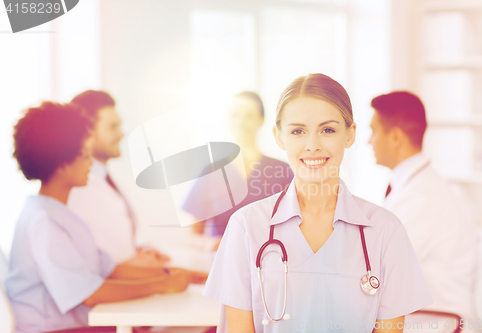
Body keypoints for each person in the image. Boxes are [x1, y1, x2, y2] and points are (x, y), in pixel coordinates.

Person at [203, 74, 432, 333]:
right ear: (279, 137)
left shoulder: (386, 232)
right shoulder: (246, 227)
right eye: (298, 131)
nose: (312, 145)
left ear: (350, 134)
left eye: (328, 130)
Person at [5, 102, 206, 333]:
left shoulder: (60, 214)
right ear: (61, 165)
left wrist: (176, 274)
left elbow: (110, 268)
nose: (90, 161)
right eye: (83, 154)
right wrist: (163, 284)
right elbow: (89, 294)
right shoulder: (44, 222)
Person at [368, 91, 477, 323]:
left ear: (396, 137)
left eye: (374, 131)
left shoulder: (422, 198)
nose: (370, 140)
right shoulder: (416, 187)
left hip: (435, 322)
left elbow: (380, 269)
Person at [68, 90, 168, 266]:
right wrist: (133, 263)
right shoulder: (77, 187)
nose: (121, 134)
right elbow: (88, 261)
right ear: (87, 131)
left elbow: (108, 241)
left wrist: (139, 249)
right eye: (113, 127)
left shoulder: (104, 179)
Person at [184, 91, 293, 245]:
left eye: (248, 116)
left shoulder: (282, 171)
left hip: (270, 261)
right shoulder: (212, 172)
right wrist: (212, 244)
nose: (241, 122)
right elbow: (193, 236)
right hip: (223, 262)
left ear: (261, 120)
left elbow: (296, 228)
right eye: (235, 115)